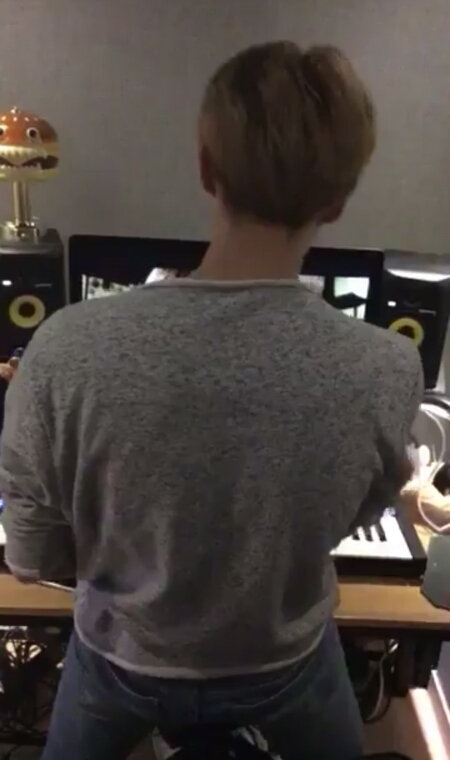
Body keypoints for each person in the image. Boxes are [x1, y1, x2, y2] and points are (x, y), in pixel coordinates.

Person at [0, 41, 423, 760]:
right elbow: (355, 513)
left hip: (118, 664)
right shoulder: (388, 365)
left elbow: (33, 553)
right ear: (337, 201)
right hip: (284, 666)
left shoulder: (66, 347)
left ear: (206, 167)